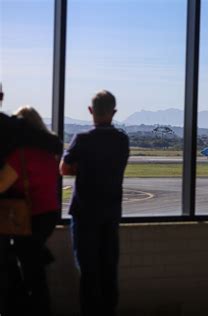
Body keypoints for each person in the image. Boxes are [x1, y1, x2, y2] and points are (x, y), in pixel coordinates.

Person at [60, 90, 129, 316]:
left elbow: (64, 168)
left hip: (85, 212)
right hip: (111, 212)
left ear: (90, 111)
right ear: (114, 112)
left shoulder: (82, 139)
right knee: (109, 270)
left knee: (89, 272)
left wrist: (83, 167)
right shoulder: (122, 139)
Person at [0, 85, 62, 315]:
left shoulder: (19, 155)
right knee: (31, 260)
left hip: (29, 215)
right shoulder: (49, 152)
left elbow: (1, 185)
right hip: (49, 212)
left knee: (28, 267)